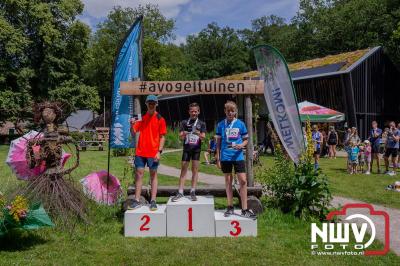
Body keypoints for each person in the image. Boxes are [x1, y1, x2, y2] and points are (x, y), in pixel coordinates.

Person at [215, 101, 256, 219]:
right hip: (226, 156)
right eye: (228, 111)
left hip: (238, 156)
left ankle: (244, 209)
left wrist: (241, 145)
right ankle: (230, 207)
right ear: (225, 111)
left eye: (232, 111)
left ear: (235, 112)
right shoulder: (220, 125)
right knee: (228, 181)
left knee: (243, 181)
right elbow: (218, 142)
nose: (230, 113)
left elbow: (246, 139)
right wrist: (217, 156)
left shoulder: (240, 124)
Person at [129, 95, 167, 211]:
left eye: (153, 103)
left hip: (153, 153)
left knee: (153, 175)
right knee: (139, 174)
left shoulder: (160, 119)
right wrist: (131, 124)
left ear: (156, 104)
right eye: (149, 103)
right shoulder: (141, 118)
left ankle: (153, 201)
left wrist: (159, 152)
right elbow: (133, 133)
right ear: (146, 104)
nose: (151, 105)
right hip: (140, 151)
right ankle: (136, 200)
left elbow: (163, 137)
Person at [172, 103, 206, 202]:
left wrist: (198, 133)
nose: (193, 113)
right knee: (183, 170)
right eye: (192, 111)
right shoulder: (184, 122)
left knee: (195, 170)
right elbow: (180, 136)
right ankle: (180, 191)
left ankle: (192, 191)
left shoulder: (201, 123)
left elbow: (203, 136)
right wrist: (184, 133)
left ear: (198, 112)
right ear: (189, 112)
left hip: (196, 149)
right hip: (186, 149)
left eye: (195, 111)